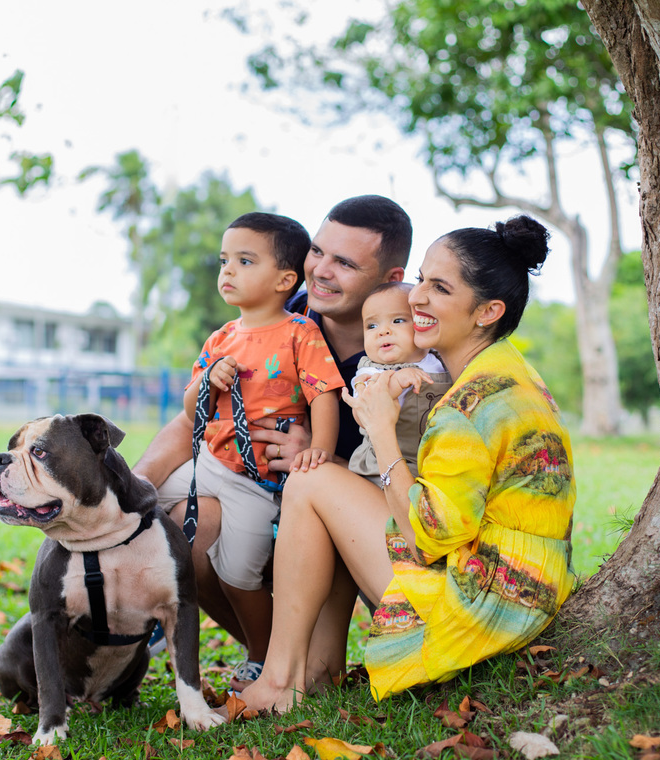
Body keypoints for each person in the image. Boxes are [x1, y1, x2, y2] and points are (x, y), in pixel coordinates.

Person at [240, 215, 577, 712]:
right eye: (422, 279)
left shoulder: (470, 404)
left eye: (440, 288)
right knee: (339, 491)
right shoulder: (505, 371)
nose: (415, 297)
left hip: (483, 609)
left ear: (488, 311)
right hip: (518, 589)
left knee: (312, 483)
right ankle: (317, 668)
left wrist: (380, 430)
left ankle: (280, 680)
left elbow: (428, 535)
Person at [133, 196, 412, 663]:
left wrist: (322, 456)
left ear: (391, 279)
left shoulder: (410, 346)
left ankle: (308, 660)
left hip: (365, 522)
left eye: (344, 263)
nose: (321, 270)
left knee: (320, 663)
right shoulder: (278, 316)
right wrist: (138, 481)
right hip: (260, 492)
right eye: (318, 251)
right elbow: (195, 417)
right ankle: (263, 654)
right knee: (189, 525)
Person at [154, 212, 343, 684]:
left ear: (285, 279)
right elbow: (188, 405)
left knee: (239, 574)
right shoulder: (221, 337)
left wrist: (318, 450)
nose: (228, 272)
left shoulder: (301, 333)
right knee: (146, 507)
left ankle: (262, 651)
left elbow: (324, 393)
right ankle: (144, 608)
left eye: (244, 260)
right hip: (211, 461)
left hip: (256, 481)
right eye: (224, 261)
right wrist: (209, 381)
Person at [344, 282, 450, 485]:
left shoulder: (438, 359)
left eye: (398, 320)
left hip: (432, 464)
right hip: (381, 468)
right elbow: (362, 414)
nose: (382, 331)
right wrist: (395, 383)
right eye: (371, 326)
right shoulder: (371, 370)